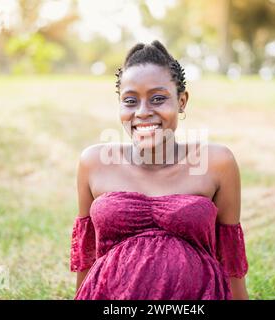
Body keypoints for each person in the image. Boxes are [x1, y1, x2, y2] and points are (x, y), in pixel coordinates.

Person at [70, 40, 249, 300]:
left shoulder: (218, 163)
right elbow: (87, 259)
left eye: (158, 98)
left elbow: (230, 260)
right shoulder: (93, 162)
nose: (143, 112)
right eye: (130, 101)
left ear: (182, 101)